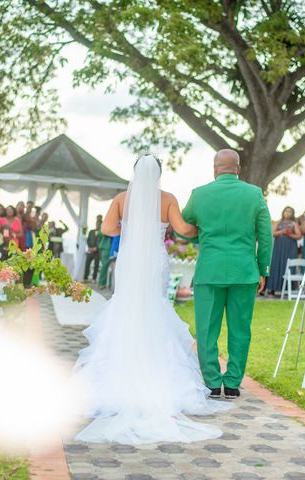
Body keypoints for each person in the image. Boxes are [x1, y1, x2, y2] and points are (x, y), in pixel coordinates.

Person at [75, 154, 231, 445]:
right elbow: (184, 231)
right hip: (153, 261)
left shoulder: (122, 198)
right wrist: (201, 228)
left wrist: (130, 230)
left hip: (130, 259)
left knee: (126, 306)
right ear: (159, 174)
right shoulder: (168, 198)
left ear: (135, 172)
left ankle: (116, 376)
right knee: (154, 307)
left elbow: (107, 229)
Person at [183, 149, 272, 401]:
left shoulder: (199, 194)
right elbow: (265, 236)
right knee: (240, 329)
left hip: (209, 270)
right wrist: (263, 268)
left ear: (214, 168)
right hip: (244, 271)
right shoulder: (254, 194)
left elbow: (184, 227)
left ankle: (212, 383)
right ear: (238, 168)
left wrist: (203, 234)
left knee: (206, 330)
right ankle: (232, 383)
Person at [267, 206, 300, 296]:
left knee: (288, 265)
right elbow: (272, 233)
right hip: (278, 246)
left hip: (290, 246)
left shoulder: (294, 224)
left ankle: (286, 288)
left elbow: (299, 236)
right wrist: (282, 231)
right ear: (283, 212)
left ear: (292, 214)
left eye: (290, 212)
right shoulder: (277, 222)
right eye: (286, 211)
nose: (287, 213)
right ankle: (272, 288)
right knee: (276, 264)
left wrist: (290, 234)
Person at [84, 215, 103, 282]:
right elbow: (88, 240)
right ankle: (85, 278)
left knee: (96, 265)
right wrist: (89, 247)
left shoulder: (102, 233)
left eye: (99, 224)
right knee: (87, 264)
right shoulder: (91, 231)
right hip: (90, 250)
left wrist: (96, 248)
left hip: (97, 252)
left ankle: (94, 278)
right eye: (97, 223)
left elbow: (101, 241)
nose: (98, 225)